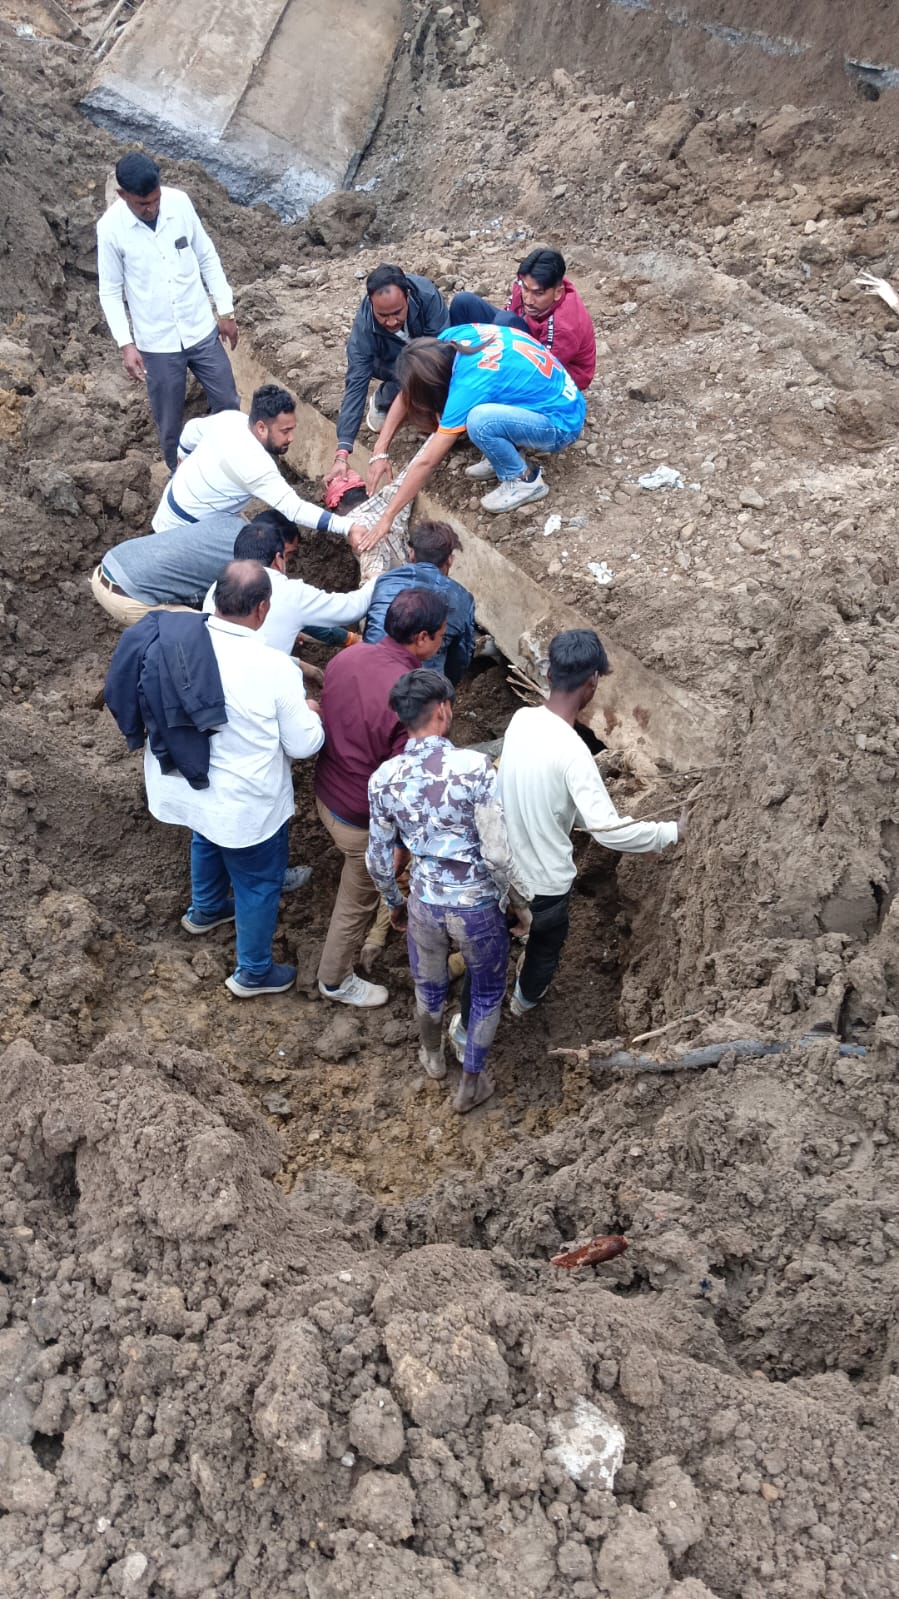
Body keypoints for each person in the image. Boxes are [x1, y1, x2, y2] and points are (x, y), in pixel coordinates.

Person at [128, 561, 324, 997]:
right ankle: (253, 973)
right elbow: (303, 746)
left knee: (205, 835)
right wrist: (312, 715)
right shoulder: (273, 667)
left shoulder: (173, 640)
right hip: (244, 803)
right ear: (262, 609)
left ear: (214, 598)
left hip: (185, 783)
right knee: (258, 881)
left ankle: (207, 909)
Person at [498, 628, 685, 1016]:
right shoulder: (574, 754)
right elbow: (607, 831)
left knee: (497, 936)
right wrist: (669, 832)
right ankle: (523, 1002)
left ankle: (479, 1004)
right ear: (592, 682)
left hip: (502, 866)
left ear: (549, 676)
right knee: (545, 950)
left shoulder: (520, 720)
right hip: (545, 884)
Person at [367, 669, 530, 1113]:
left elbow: (379, 860)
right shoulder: (475, 769)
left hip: (424, 904)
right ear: (442, 709)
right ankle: (470, 1084)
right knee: (485, 993)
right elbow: (497, 853)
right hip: (476, 906)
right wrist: (513, 905)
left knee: (429, 985)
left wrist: (395, 904)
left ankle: (434, 1057)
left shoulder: (384, 778)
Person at [314, 588, 449, 1009]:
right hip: (360, 821)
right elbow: (405, 787)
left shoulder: (346, 658)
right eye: (443, 633)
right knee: (358, 901)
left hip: (325, 794)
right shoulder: (413, 702)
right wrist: (400, 848)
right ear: (424, 638)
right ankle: (334, 979)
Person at [357, 323, 587, 548]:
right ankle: (505, 454)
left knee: (478, 420)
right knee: (481, 411)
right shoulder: (453, 340)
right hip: (559, 400)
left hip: (560, 425)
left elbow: (426, 462)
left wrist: (387, 517)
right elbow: (407, 392)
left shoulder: (467, 386)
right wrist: (380, 450)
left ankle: (523, 480)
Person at [97, 152, 240, 471]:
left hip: (200, 327)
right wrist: (126, 343)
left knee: (228, 403)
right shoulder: (110, 229)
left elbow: (206, 256)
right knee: (170, 423)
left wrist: (225, 310)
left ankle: (222, 467)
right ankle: (181, 481)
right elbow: (109, 291)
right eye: (142, 204)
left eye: (155, 200)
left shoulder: (179, 203)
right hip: (157, 343)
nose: (151, 208)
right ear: (123, 195)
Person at [151, 385, 362, 541]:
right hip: (184, 531)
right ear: (261, 428)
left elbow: (190, 430)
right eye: (285, 431)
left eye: (292, 429)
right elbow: (294, 509)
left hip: (172, 504)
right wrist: (347, 526)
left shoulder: (231, 420)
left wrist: (183, 459)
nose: (291, 438)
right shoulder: (255, 465)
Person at [325, 264, 448, 489]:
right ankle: (385, 397)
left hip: (428, 355)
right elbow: (355, 387)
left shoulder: (427, 296)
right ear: (371, 303)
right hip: (391, 364)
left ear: (408, 297)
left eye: (397, 313)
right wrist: (342, 453)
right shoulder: (363, 331)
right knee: (405, 389)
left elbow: (441, 352)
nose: (391, 322)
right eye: (382, 315)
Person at [90, 509, 298, 627]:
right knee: (215, 635)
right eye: (285, 554)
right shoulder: (243, 562)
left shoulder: (230, 522)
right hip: (127, 596)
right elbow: (239, 618)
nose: (283, 564)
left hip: (112, 563)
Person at [201, 519, 375, 654]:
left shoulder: (216, 587)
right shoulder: (290, 593)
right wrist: (377, 578)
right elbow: (352, 608)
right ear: (278, 559)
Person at [449, 246, 596, 394]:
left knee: (505, 324)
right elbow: (508, 315)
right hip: (528, 336)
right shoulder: (526, 284)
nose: (529, 300)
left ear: (557, 293)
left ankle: (486, 387)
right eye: (526, 289)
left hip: (556, 374)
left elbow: (545, 371)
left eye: (538, 293)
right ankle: (455, 369)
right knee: (464, 303)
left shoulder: (564, 326)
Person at [363, 521, 475, 685]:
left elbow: (370, 630)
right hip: (421, 686)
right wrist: (447, 689)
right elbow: (460, 657)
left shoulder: (386, 580)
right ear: (450, 560)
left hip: (370, 670)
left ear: (411, 554)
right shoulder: (462, 597)